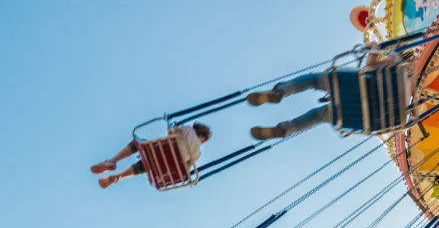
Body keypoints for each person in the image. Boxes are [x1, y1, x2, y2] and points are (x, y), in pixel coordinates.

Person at [246, 44, 403, 140]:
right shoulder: (406, 87)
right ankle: (283, 129)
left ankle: (281, 93)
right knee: (317, 116)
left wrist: (374, 47)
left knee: (314, 80)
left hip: (359, 98)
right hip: (369, 112)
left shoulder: (397, 63)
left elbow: (369, 67)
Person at [91, 122, 211, 189]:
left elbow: (171, 133)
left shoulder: (187, 129)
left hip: (156, 151)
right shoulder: (197, 154)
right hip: (162, 166)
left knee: (140, 144)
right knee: (147, 166)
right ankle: (119, 177)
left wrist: (173, 129)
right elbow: (184, 170)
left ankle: (113, 160)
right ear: (204, 140)